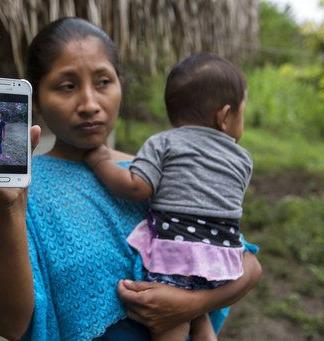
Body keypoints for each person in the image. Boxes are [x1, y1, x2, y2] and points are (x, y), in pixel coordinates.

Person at [0, 17, 261, 341]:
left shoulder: (158, 173)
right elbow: (9, 325)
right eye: (67, 86)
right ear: (38, 101)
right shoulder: (21, 192)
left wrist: (191, 304)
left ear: (120, 85)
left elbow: (249, 265)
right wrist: (11, 210)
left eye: (103, 82)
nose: (89, 104)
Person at [84, 53, 253, 340]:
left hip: (178, 256)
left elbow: (137, 187)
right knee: (199, 316)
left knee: (171, 324)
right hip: (224, 261)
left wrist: (100, 161)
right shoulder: (243, 159)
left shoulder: (163, 142)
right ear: (225, 117)